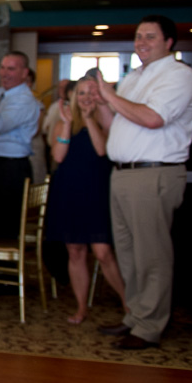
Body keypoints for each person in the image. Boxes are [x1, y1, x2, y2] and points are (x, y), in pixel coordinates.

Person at [92, 15, 192, 349]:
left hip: (153, 172)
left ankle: (150, 326)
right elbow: (117, 122)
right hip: (123, 172)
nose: (141, 42)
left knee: (151, 254)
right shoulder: (135, 77)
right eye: (138, 36)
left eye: (150, 37)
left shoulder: (179, 76)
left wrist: (109, 95)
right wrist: (97, 103)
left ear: (169, 42)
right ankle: (135, 316)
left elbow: (153, 118)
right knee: (128, 252)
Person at [45, 77, 127, 324]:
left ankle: (128, 303)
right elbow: (58, 156)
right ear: (73, 97)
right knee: (75, 251)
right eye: (81, 93)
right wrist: (69, 124)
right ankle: (81, 308)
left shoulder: (104, 120)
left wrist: (89, 119)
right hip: (69, 190)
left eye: (91, 92)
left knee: (102, 251)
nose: (86, 98)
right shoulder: (63, 123)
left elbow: (102, 150)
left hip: (96, 190)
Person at [0, 51, 41, 239]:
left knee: (5, 225)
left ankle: (2, 268)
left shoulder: (25, 100)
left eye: (11, 68)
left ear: (25, 73)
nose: (3, 73)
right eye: (2, 67)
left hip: (11, 167)